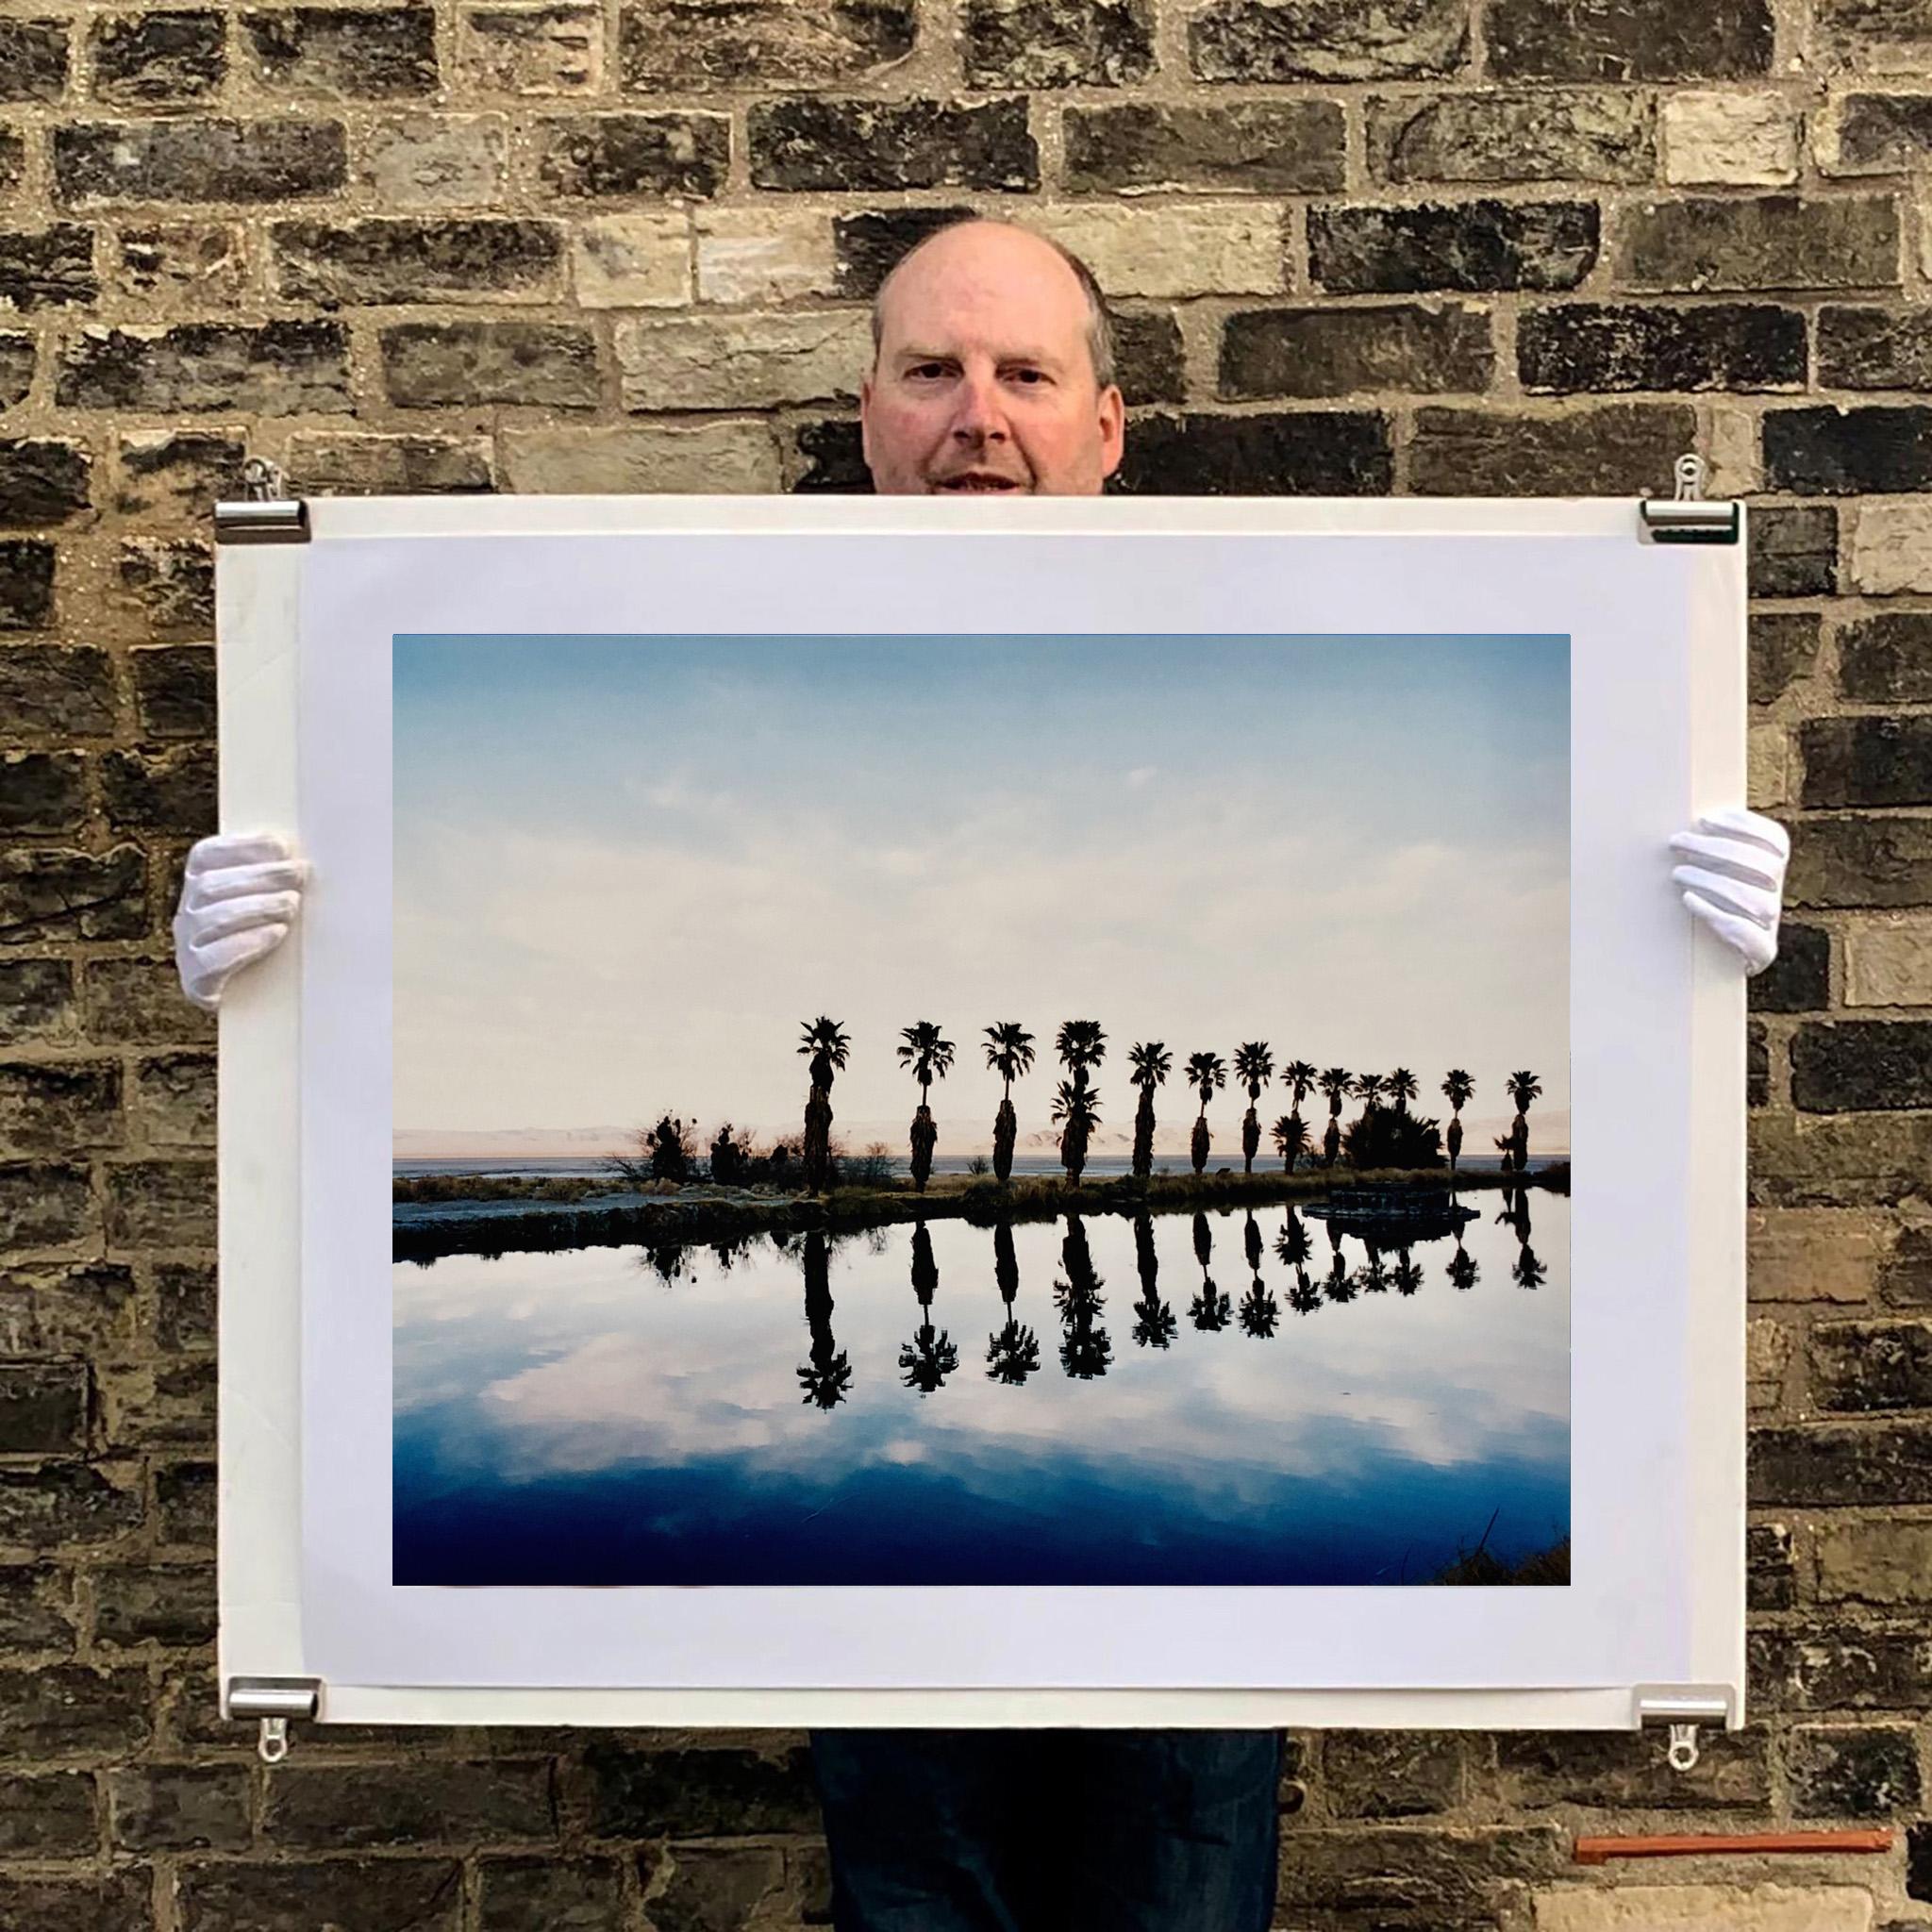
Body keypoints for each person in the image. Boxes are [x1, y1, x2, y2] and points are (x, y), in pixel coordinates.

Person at [175, 217, 1790, 1930]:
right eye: (933, 371)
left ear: (1108, 424)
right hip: (888, 1625)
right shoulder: (740, 669)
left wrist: (1669, 959)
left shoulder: (1261, 653)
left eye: (1026, 374)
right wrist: (285, 991)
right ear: (865, 410)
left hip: (1202, 1643)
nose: (978, 416)